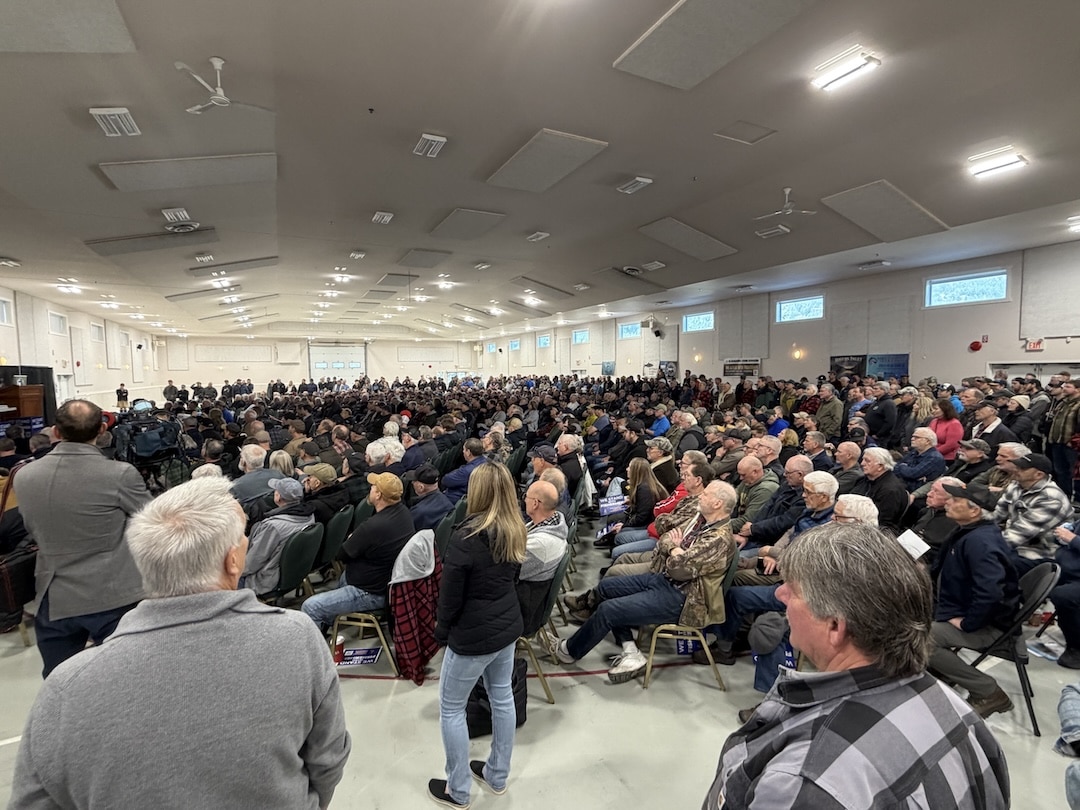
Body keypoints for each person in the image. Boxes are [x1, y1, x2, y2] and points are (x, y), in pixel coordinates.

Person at [8, 477, 351, 809]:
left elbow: (36, 800)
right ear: (233, 561)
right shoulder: (297, 638)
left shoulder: (66, 684)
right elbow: (328, 758)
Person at [701, 521, 1010, 810]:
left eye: (793, 590)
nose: (780, 594)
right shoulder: (962, 713)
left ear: (835, 627)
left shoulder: (805, 777)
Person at [13, 399, 152, 678]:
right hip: (113, 595)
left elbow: (33, 527)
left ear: (55, 432)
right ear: (102, 429)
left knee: (59, 681)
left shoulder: (24, 475)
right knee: (125, 679)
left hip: (53, 596)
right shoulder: (120, 474)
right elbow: (149, 520)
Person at [429, 462, 526, 808]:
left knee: (451, 709)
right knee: (502, 698)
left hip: (472, 635)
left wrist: (441, 632)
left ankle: (458, 790)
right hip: (506, 627)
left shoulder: (466, 537)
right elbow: (512, 580)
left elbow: (449, 597)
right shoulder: (516, 527)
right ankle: (496, 774)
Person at [927, 482, 1020, 718]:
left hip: (987, 625)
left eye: (955, 500)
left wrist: (969, 624)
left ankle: (988, 691)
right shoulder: (967, 531)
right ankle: (944, 669)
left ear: (975, 510)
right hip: (955, 605)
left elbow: (991, 593)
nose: (948, 501)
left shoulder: (981, 542)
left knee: (922, 639)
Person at [301, 472, 415, 631]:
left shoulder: (373, 526)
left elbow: (341, 555)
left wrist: (353, 538)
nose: (370, 488)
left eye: (373, 486)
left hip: (372, 592)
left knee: (310, 606)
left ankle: (318, 653)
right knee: (343, 578)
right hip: (385, 582)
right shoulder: (403, 512)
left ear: (378, 494)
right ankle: (328, 626)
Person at [409, 464, 455, 531]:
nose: (412, 483)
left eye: (414, 481)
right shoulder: (447, 502)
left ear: (421, 487)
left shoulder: (419, 512)